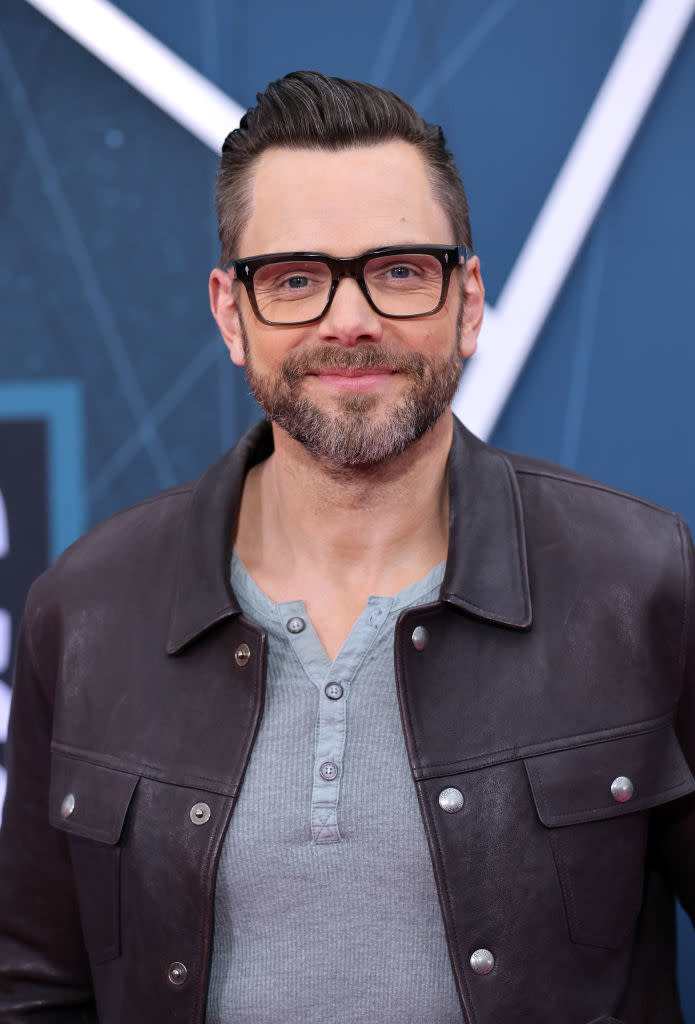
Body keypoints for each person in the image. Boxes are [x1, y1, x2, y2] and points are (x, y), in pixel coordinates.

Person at [0, 70, 694, 1024]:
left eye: (400, 269)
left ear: (469, 299)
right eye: (294, 279)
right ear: (229, 313)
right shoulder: (85, 610)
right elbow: (33, 987)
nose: (350, 319)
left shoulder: (643, 581)